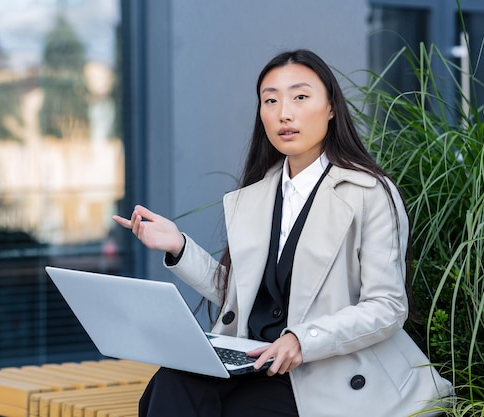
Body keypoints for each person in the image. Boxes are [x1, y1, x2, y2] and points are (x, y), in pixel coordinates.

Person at [113, 49, 453, 417]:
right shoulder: (256, 196)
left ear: (332, 107)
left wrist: (300, 340)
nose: (284, 113)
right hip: (258, 360)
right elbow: (241, 297)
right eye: (270, 100)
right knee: (171, 382)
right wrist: (178, 246)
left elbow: (388, 307)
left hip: (327, 370)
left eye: (300, 97)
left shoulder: (369, 193)